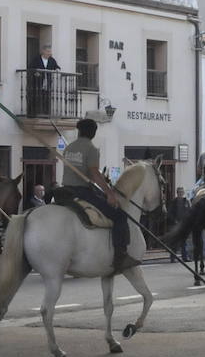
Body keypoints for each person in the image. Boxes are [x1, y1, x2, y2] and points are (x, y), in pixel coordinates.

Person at [61, 117, 139, 271]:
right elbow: (94, 174)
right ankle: (120, 256)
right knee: (119, 216)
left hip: (65, 190)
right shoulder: (91, 149)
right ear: (93, 133)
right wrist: (109, 193)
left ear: (79, 131)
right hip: (81, 191)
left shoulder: (68, 148)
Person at [27, 43, 60, 117]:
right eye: (48, 51)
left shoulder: (52, 60)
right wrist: (35, 72)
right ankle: (34, 113)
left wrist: (57, 69)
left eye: (50, 52)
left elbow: (57, 66)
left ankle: (46, 114)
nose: (49, 53)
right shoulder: (37, 59)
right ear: (43, 51)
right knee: (36, 98)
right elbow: (30, 68)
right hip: (37, 83)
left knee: (46, 98)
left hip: (47, 83)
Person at [167, 186, 192, 261]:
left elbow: (189, 212)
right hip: (175, 224)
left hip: (184, 224)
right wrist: (174, 220)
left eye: (182, 192)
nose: (180, 193)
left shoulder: (186, 202)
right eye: (179, 192)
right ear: (177, 193)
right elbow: (170, 213)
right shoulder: (173, 202)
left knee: (184, 242)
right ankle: (173, 257)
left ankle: (185, 257)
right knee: (174, 241)